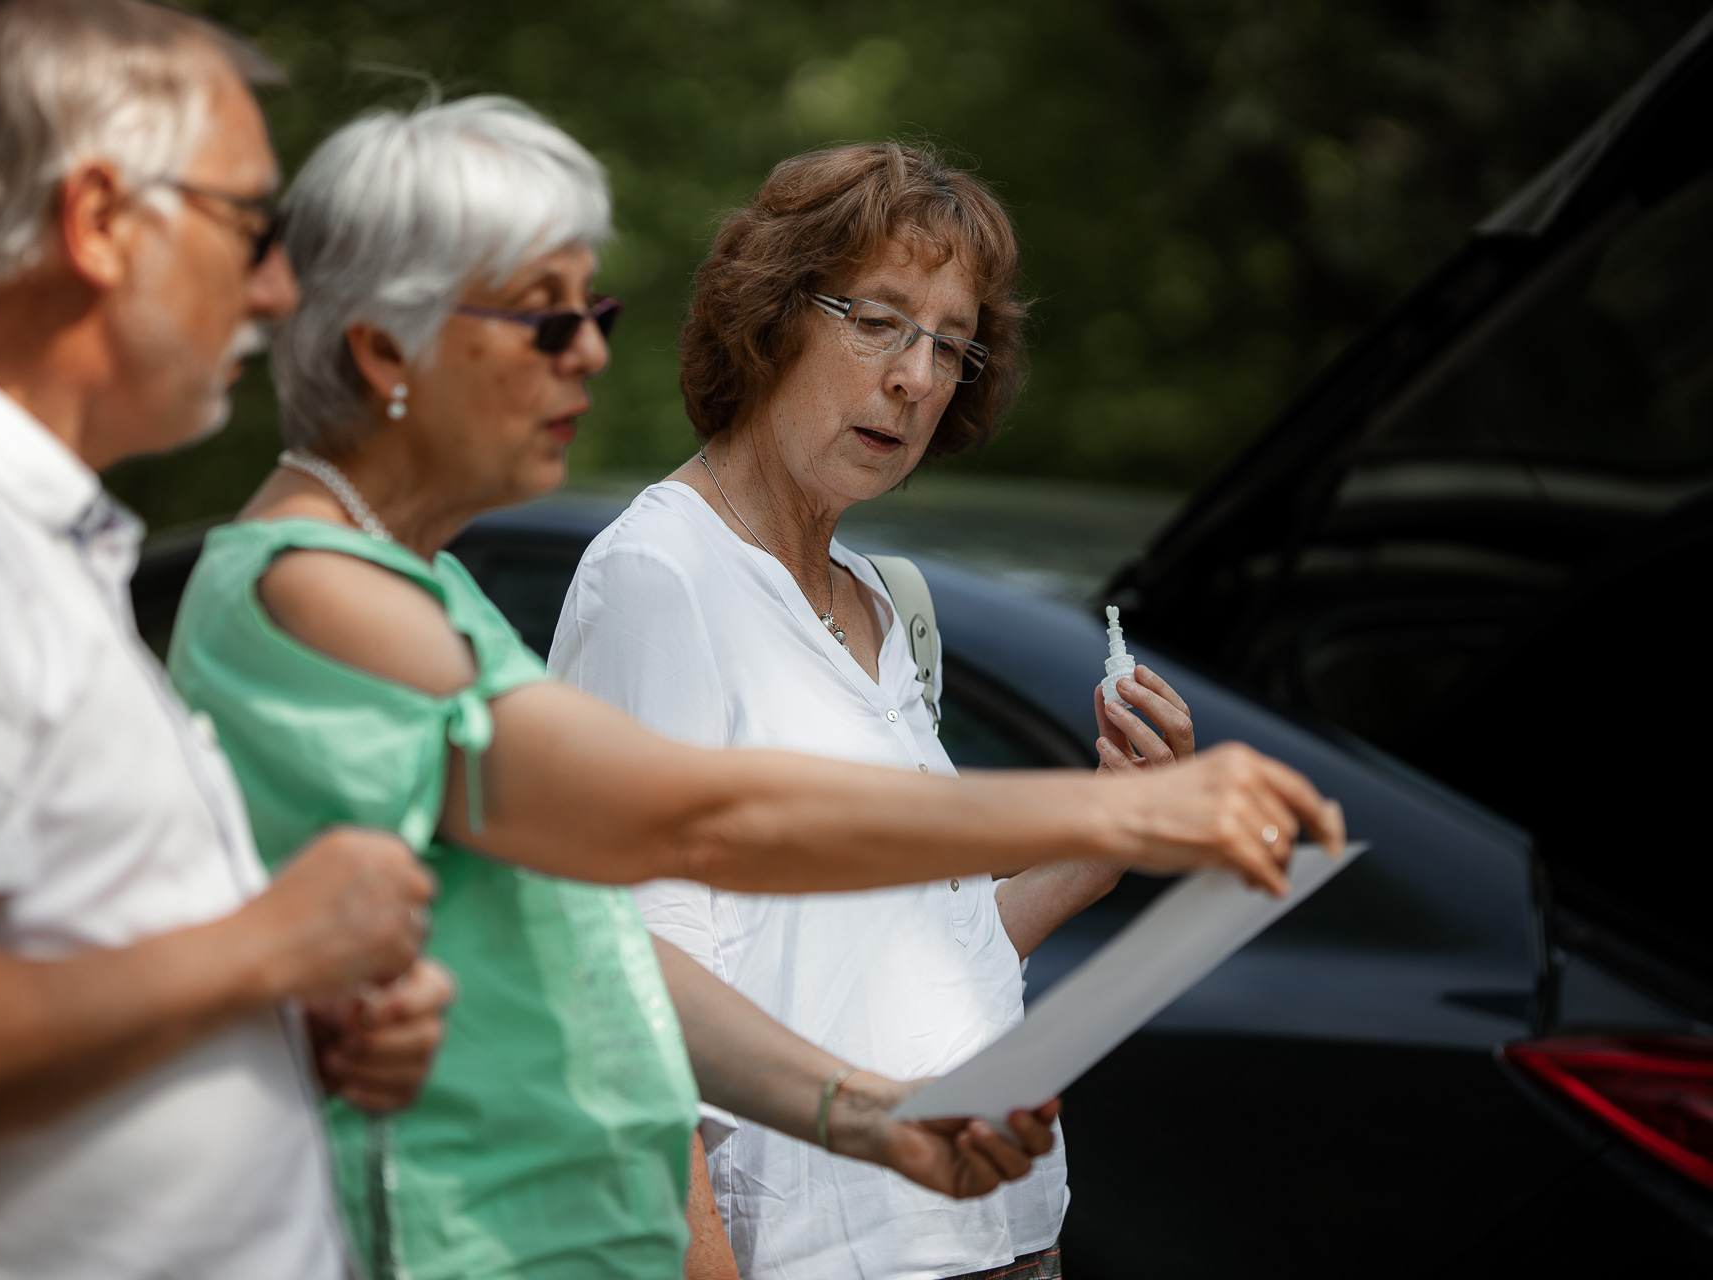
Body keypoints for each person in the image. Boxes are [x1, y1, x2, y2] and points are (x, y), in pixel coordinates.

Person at [164, 95, 1346, 1280]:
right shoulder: (323, 586)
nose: (588, 348)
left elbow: (615, 954)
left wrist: (867, 1113)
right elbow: (696, 817)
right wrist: (1110, 810)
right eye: (544, 316)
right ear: (387, 352)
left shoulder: (434, 594)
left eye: (591, 308)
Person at [0, 4, 451, 1277]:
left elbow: (36, 982)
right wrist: (275, 943)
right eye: (250, 227)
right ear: (97, 220)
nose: (276, 287)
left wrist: (274, 1018)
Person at [549, 141, 1209, 1280]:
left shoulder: (882, 599)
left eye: (951, 344)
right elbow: (622, 991)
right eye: (878, 321)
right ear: (770, 316)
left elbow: (907, 956)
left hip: (1003, 1232)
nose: (914, 376)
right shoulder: (663, 577)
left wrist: (1101, 845)